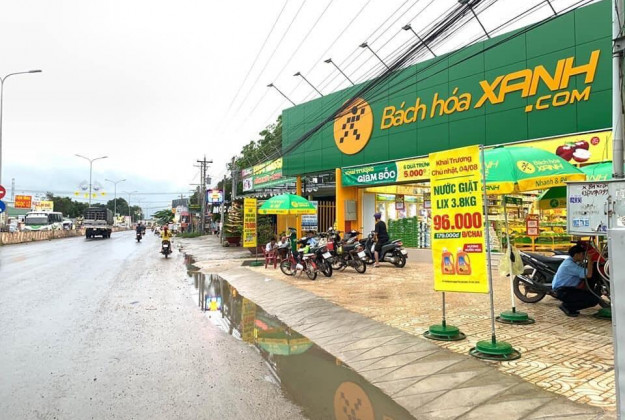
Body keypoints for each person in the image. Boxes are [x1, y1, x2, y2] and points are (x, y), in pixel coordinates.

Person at [552, 244, 600, 317]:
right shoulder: (569, 265)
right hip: (563, 291)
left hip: (566, 289)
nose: (584, 256)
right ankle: (567, 306)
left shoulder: (572, 261)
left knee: (589, 295)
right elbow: (589, 275)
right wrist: (590, 260)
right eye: (582, 254)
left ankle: (571, 306)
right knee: (594, 300)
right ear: (576, 255)